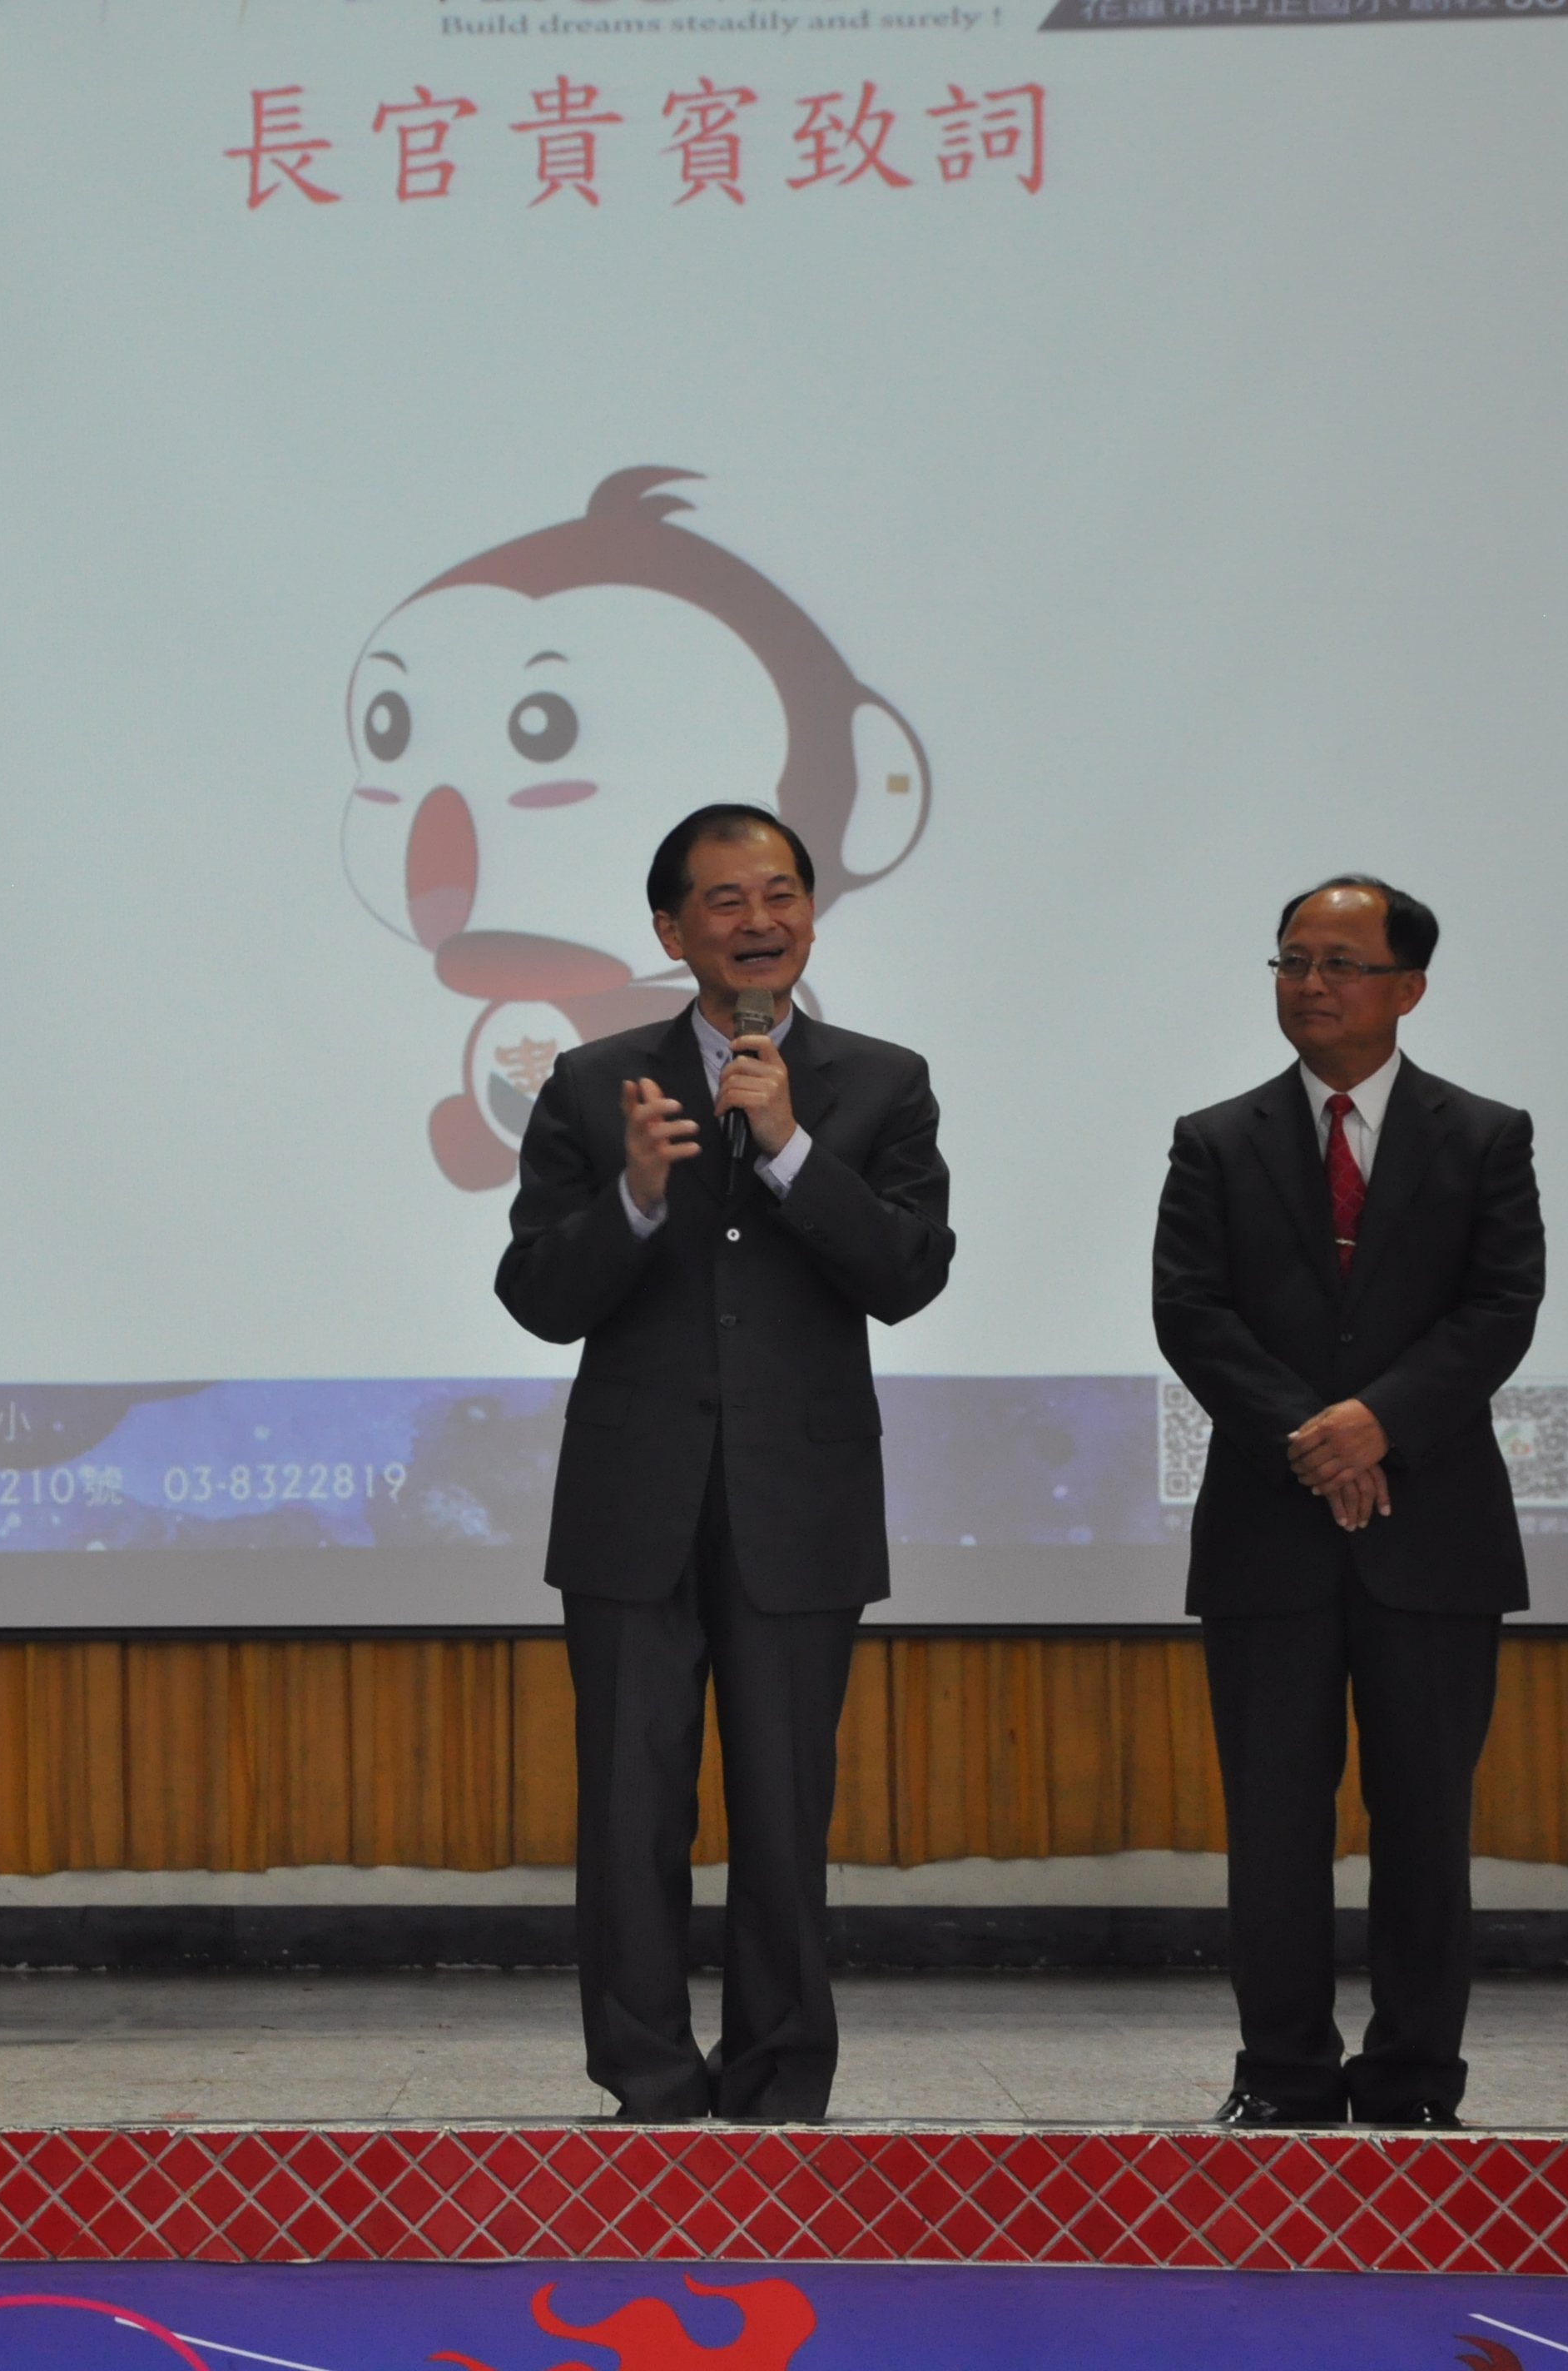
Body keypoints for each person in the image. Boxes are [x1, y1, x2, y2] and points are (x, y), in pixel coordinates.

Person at [494, 803, 955, 2124]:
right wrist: (636, 1196)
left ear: (810, 913)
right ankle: (647, 2079)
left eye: (781, 895)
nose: (761, 922)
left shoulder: (881, 1082)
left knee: (785, 1810)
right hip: (633, 1502)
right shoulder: (597, 1085)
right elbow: (538, 1295)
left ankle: (777, 2078)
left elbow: (909, 1274)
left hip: (800, 1503)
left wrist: (793, 1148)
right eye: (727, 901)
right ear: (671, 928)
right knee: (631, 1812)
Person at [1150, 874, 1545, 2130]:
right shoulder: (1216, 1140)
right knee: (1274, 1826)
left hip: (1435, 1536)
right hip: (1267, 1533)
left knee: (1425, 1823)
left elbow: (1501, 1307)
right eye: (1291, 962)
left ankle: (1418, 2079)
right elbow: (1190, 1313)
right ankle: (1282, 2076)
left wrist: (1382, 1422)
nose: (1310, 985)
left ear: (1408, 987)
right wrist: (1311, 1439)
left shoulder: (1485, 1136)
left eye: (1340, 964)